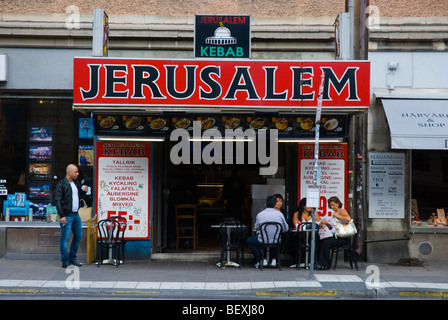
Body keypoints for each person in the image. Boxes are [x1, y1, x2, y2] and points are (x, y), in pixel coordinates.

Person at [54, 164, 86, 268]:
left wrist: (83, 189)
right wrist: (62, 215)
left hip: (76, 214)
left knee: (78, 236)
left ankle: (72, 258)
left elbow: (76, 196)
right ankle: (65, 260)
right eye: (76, 172)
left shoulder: (75, 183)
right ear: (69, 172)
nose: (78, 173)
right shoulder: (61, 184)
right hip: (67, 215)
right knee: (65, 238)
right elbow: (57, 200)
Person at [246, 195, 289, 268]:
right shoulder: (280, 214)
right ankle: (274, 259)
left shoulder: (260, 214)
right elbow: (285, 229)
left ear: (265, 204)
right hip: (276, 240)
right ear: (275, 204)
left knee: (249, 241)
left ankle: (261, 259)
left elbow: (256, 228)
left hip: (263, 240)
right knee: (278, 241)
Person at [316, 196, 352, 270]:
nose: (332, 207)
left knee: (326, 243)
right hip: (336, 236)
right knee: (320, 242)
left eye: (333, 205)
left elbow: (348, 219)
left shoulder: (341, 211)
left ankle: (325, 264)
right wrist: (327, 223)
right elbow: (331, 228)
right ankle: (319, 262)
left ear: (338, 203)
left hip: (343, 238)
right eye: (330, 205)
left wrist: (338, 216)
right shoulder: (334, 213)